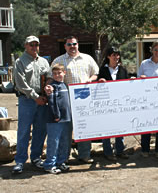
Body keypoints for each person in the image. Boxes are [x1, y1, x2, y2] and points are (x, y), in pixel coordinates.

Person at [46, 36, 99, 164]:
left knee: (84, 127)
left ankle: (84, 154)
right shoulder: (58, 60)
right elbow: (50, 77)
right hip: (66, 98)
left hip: (84, 98)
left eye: (74, 44)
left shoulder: (87, 58)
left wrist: (90, 79)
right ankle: (64, 156)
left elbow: (96, 73)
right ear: (65, 46)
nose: (72, 46)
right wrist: (48, 88)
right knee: (66, 129)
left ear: (78, 45)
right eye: (69, 44)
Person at [12, 36, 50, 173]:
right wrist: (35, 97)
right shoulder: (19, 62)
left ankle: (36, 158)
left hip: (42, 100)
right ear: (25, 45)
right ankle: (20, 161)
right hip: (27, 100)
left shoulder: (44, 62)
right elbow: (20, 83)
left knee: (40, 130)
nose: (34, 47)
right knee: (24, 131)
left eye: (36, 44)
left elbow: (49, 78)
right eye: (31, 45)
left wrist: (45, 94)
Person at [138, 41, 158, 158]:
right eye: (156, 49)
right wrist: (141, 78)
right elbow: (138, 81)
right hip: (146, 100)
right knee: (146, 125)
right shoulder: (144, 64)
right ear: (151, 50)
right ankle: (145, 149)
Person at [97, 47, 129, 161]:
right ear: (108, 56)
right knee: (106, 128)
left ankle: (120, 150)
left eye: (117, 55)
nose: (116, 57)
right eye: (113, 55)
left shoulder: (123, 70)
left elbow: (128, 84)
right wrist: (100, 81)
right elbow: (97, 85)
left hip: (120, 104)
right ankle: (108, 152)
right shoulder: (102, 70)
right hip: (106, 104)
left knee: (120, 128)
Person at [43, 64, 71, 174]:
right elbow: (52, 102)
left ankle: (61, 161)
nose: (57, 75)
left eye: (59, 73)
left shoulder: (64, 85)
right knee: (53, 142)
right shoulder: (52, 86)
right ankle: (50, 164)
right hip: (55, 119)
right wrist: (56, 115)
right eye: (54, 73)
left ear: (64, 73)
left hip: (65, 118)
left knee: (64, 141)